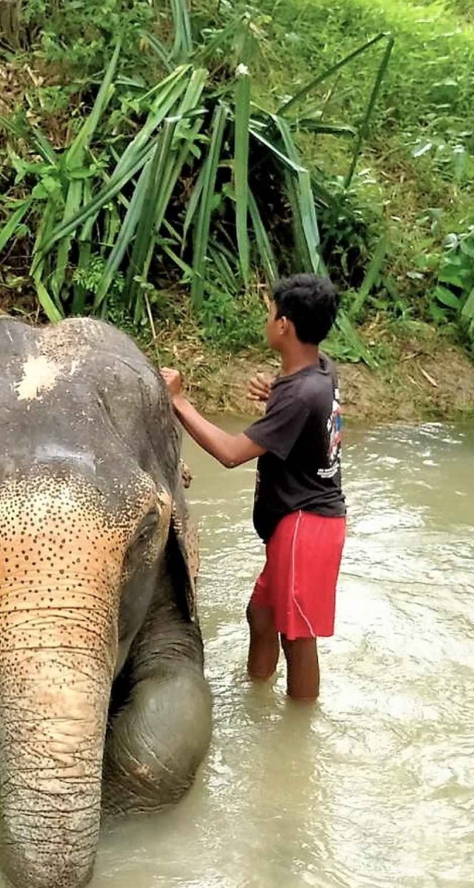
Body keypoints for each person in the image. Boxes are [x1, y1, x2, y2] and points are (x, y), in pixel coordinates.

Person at [161, 273, 346, 700]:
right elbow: (303, 411)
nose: (266, 320)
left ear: (284, 324)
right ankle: (255, 698)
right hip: (296, 523)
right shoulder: (319, 371)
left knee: (297, 639)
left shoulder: (301, 394)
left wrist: (178, 401)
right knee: (260, 616)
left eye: (270, 312)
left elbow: (230, 453)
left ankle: (298, 735)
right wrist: (276, 392)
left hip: (307, 525)